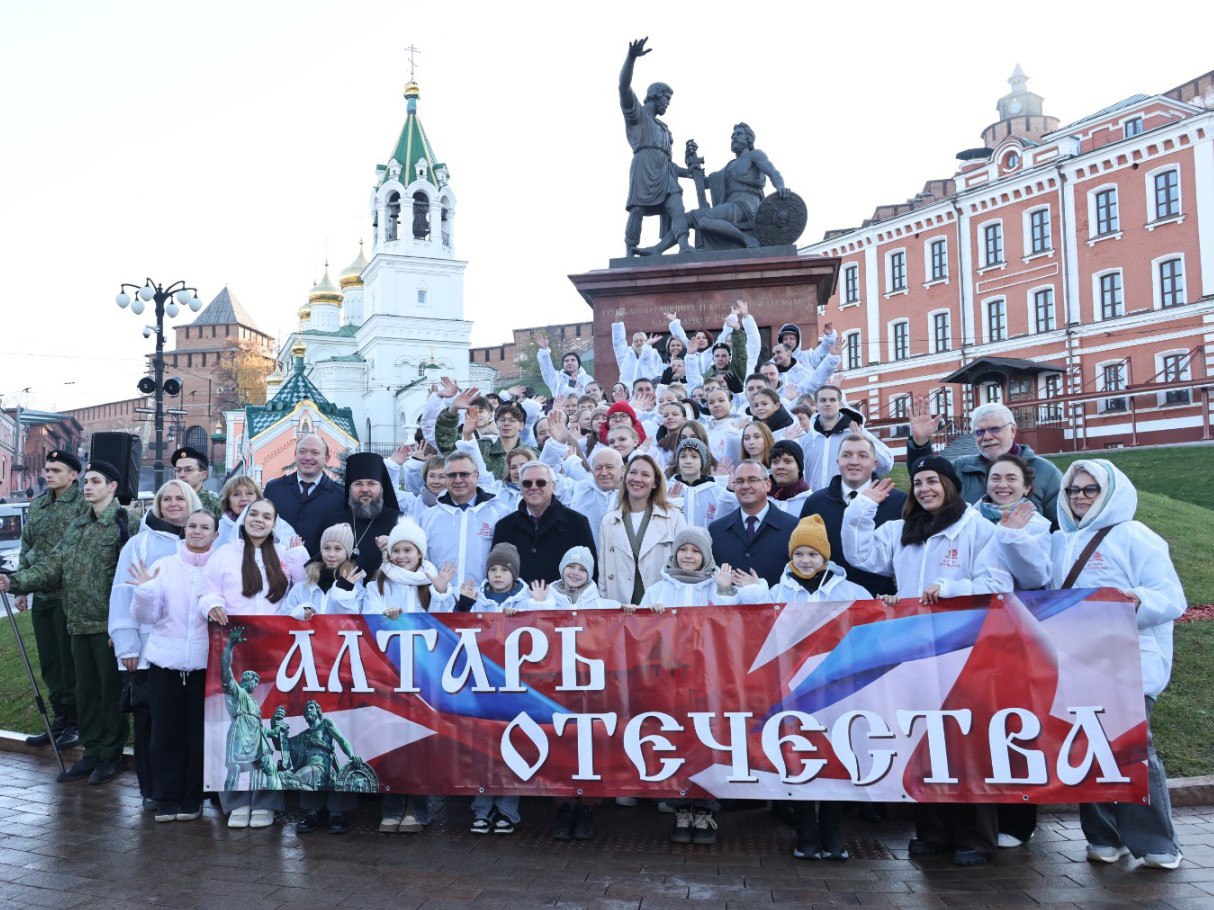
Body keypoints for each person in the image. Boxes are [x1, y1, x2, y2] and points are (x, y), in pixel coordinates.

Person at [1011, 459, 1185, 869]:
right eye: (1074, 491)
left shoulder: (1135, 536)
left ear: (1108, 493)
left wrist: (1135, 600)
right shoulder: (1059, 541)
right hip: (1074, 660)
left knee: (1132, 749)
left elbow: (1170, 597)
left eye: (1090, 490)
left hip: (1127, 660)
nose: (1080, 498)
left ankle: (1156, 842)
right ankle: (1103, 836)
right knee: (1085, 745)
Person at [842, 456, 1011, 865]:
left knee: (963, 742)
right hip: (912, 653)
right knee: (922, 739)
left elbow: (999, 583)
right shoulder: (903, 531)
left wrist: (950, 588)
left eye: (932, 481)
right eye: (918, 483)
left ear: (950, 485)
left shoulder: (978, 529)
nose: (924, 489)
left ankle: (975, 837)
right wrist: (861, 506)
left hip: (963, 650)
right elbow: (860, 553)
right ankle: (931, 829)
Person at [736, 514, 868, 860]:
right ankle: (806, 830)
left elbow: (872, 623)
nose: (805, 561)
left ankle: (833, 830)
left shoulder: (850, 590)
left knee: (838, 755)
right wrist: (749, 594)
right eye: (799, 554)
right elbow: (752, 626)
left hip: (839, 687)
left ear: (825, 557)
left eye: (812, 554)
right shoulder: (778, 591)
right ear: (790, 557)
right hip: (792, 690)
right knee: (800, 755)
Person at [1, 461, 131, 784]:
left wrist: (125, 625)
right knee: (85, 691)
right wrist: (14, 581)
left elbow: (132, 579)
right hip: (77, 623)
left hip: (107, 626)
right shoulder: (78, 526)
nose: (87, 487)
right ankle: (91, 751)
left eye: (95, 481)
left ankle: (110, 754)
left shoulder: (125, 523)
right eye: (86, 481)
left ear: (112, 486)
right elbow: (53, 566)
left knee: (108, 692)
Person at [199, 498, 308, 828]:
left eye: (267, 517)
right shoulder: (224, 554)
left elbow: (299, 596)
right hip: (234, 648)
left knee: (264, 724)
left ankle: (265, 800)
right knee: (231, 724)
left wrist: (300, 612)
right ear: (244, 519)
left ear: (275, 523)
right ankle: (234, 800)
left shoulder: (283, 557)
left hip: (271, 651)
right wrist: (213, 604)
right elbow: (207, 591)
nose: (259, 520)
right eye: (254, 515)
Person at [633, 527, 738, 845]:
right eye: (683, 550)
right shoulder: (657, 591)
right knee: (677, 741)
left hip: (711, 679)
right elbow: (637, 633)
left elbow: (733, 627)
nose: (688, 556)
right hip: (672, 680)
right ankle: (681, 805)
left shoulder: (718, 586)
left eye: (695, 551)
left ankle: (706, 809)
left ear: (705, 555)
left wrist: (724, 592)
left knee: (708, 743)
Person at [109, 479, 203, 808]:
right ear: (158, 504)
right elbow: (123, 593)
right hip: (148, 651)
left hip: (194, 652)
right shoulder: (140, 544)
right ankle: (151, 788)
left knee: (188, 723)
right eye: (167, 499)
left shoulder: (204, 541)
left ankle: (191, 788)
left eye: (181, 498)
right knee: (150, 724)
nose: (174, 504)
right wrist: (127, 645)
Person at [126, 508, 219, 823]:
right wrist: (145, 591)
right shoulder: (163, 566)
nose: (196, 531)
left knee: (197, 733)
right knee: (164, 733)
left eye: (204, 527)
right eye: (192, 526)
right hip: (165, 661)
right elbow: (145, 616)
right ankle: (166, 796)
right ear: (185, 530)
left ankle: (192, 797)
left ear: (215, 535)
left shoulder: (220, 569)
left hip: (206, 664)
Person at [519, 546, 618, 841]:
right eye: (571, 567)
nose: (575, 573)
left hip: (591, 688)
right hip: (555, 685)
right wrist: (537, 604)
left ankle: (586, 807)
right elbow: (518, 621)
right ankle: (563, 806)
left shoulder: (602, 603)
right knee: (562, 745)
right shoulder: (545, 598)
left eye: (582, 569)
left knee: (590, 747)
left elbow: (625, 623)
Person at [12, 449, 88, 749]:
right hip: (41, 595)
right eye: (48, 469)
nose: (49, 474)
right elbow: (27, 545)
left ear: (74, 475)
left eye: (56, 470)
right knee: (50, 662)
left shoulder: (83, 504)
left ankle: (75, 722)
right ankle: (59, 720)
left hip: (67, 595)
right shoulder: (40, 504)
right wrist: (21, 586)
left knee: (70, 663)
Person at [453, 543, 528, 832]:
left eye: (503, 570)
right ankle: (481, 809)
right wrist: (463, 606)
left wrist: (533, 609)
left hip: (515, 686)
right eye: (493, 569)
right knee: (483, 749)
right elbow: (453, 631)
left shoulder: (526, 601)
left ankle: (508, 810)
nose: (497, 575)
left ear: (514, 574)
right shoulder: (476, 599)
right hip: (480, 685)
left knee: (512, 748)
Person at [907, 399, 1064, 527]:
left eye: (995, 429)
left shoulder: (1046, 471)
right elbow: (923, 479)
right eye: (979, 432)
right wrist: (921, 443)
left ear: (1013, 431)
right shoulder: (960, 468)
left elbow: (1061, 525)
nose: (987, 437)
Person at [799, 435, 905, 597]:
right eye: (846, 455)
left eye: (862, 456)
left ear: (874, 463)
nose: (854, 461)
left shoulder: (899, 502)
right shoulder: (815, 503)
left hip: (885, 602)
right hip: (829, 602)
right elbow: (802, 550)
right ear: (838, 462)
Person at [618, 37, 690, 256]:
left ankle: (685, 246)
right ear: (656, 96)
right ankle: (630, 251)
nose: (667, 104)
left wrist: (690, 172)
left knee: (676, 204)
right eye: (666, 99)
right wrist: (631, 58)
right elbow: (623, 86)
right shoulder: (637, 115)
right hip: (644, 166)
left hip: (665, 173)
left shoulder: (665, 129)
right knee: (637, 209)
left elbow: (670, 163)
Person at [598, 454, 686, 606]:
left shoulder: (674, 517)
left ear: (654, 483)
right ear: (625, 478)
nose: (637, 479)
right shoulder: (608, 520)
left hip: (660, 606)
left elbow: (683, 566)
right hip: (621, 608)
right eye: (633, 472)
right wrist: (607, 609)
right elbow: (604, 573)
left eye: (645, 475)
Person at [491, 461, 598, 584]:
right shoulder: (504, 526)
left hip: (563, 601)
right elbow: (495, 570)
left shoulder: (577, 523)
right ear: (520, 488)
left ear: (554, 487)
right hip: (517, 601)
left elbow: (591, 571)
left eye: (541, 482)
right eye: (527, 483)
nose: (534, 487)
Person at [419, 451, 512, 586]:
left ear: (477, 476)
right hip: (441, 600)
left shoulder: (501, 513)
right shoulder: (428, 517)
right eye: (451, 475)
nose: (458, 480)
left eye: (464, 474)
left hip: (485, 601)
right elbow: (422, 561)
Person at [709, 460, 799, 587]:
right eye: (739, 481)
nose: (745, 486)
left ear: (768, 484)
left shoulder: (793, 528)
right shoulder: (716, 530)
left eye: (752, 480)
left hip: (776, 605)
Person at [263, 434, 347, 558]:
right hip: (277, 569)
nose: (307, 457)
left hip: (321, 571)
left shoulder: (340, 495)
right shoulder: (274, 489)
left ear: (327, 458)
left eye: (315, 452)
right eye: (302, 452)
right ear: (295, 455)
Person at [322, 452, 403, 579]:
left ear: (382, 488)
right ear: (349, 488)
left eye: (371, 483)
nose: (365, 489)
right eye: (358, 484)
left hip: (383, 594)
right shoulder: (335, 521)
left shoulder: (399, 521)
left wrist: (393, 546)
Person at [799, 386, 893, 491]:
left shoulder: (857, 431)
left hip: (849, 502)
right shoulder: (806, 439)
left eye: (832, 400)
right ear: (816, 406)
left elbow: (885, 465)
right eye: (823, 400)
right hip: (815, 502)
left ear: (840, 404)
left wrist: (863, 441)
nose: (828, 403)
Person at [282, 524, 367, 621]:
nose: (331, 554)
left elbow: (355, 624)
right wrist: (300, 612)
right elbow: (282, 618)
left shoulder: (357, 590)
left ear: (348, 553)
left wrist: (344, 592)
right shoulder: (302, 587)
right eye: (326, 548)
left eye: (338, 549)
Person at [667, 438, 736, 528]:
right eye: (683, 456)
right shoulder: (668, 488)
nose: (688, 461)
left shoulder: (716, 490)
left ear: (702, 462)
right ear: (678, 461)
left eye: (694, 457)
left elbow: (724, 522)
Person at [217, 475, 298, 547]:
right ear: (228, 502)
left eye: (249, 493)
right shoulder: (219, 528)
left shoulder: (279, 526)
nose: (244, 498)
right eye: (236, 494)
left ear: (258, 498)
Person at [534, 332, 592, 398]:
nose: (569, 362)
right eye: (566, 361)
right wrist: (545, 349)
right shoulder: (556, 378)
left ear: (578, 363)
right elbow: (546, 368)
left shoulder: (587, 379)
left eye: (573, 360)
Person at [170, 446, 222, 519]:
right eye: (178, 470)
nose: (181, 475)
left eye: (189, 470)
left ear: (203, 475)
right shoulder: (167, 500)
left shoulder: (213, 503)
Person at [767, 440, 812, 515]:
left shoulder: (811, 501)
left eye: (787, 461)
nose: (780, 467)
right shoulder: (760, 499)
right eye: (775, 462)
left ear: (799, 467)